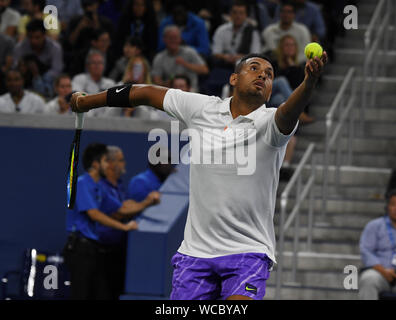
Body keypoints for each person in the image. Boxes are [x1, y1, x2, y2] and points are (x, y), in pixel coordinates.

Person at [69, 50, 328, 300]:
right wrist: (86, 102)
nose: (262, 75)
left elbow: (288, 112)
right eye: (254, 69)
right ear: (234, 79)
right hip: (195, 254)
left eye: (269, 74)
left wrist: (308, 83)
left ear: (271, 88)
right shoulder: (203, 108)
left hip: (248, 252)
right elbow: (145, 93)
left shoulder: (272, 123)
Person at [63, 143, 148, 300]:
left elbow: (121, 208)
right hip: (80, 250)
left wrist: (147, 203)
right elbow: (94, 214)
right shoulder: (82, 183)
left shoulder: (98, 188)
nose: (109, 165)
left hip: (94, 250)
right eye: (105, 161)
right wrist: (124, 227)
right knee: (81, 295)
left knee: (102, 294)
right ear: (96, 164)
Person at [97, 145, 160, 299]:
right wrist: (146, 203)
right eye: (121, 160)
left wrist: (139, 204)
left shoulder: (118, 186)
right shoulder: (100, 186)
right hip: (101, 253)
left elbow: (126, 205)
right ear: (111, 164)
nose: (124, 163)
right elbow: (118, 213)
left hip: (117, 251)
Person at [359, 189, 396, 300]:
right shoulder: (374, 226)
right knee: (368, 279)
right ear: (387, 206)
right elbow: (366, 251)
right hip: (380, 273)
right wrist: (383, 271)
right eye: (393, 204)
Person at [151, 25, 209, 92]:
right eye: (170, 38)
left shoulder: (190, 52)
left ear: (180, 39)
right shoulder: (159, 57)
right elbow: (156, 81)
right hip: (170, 91)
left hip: (190, 90)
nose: (173, 40)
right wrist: (168, 83)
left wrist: (185, 64)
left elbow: (205, 70)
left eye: (175, 37)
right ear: (164, 39)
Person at [13, 19, 64, 85]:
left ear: (44, 35)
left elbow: (56, 70)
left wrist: (38, 77)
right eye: (30, 37)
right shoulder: (19, 47)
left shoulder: (55, 48)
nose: (33, 41)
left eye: (37, 37)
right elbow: (14, 67)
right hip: (24, 80)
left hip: (47, 82)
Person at [71, 51, 118, 117]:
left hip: (105, 120)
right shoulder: (79, 79)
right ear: (87, 66)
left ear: (104, 66)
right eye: (94, 63)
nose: (97, 65)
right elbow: (77, 98)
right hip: (85, 118)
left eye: (99, 63)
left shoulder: (110, 83)